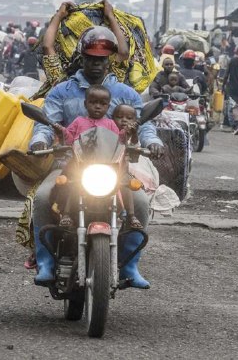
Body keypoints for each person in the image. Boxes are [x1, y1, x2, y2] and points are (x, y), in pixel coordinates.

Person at [29, 26, 162, 289]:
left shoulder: (126, 93)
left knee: (141, 203)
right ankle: (46, 262)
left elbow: (144, 124)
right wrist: (40, 140)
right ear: (82, 58)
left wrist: (153, 142)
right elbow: (46, 123)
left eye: (101, 59)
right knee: (44, 197)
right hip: (70, 166)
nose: (96, 64)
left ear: (109, 60)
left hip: (114, 168)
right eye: (91, 58)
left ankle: (129, 265)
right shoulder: (62, 91)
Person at [51, 85, 140, 229]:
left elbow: (119, 141)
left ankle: (130, 215)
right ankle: (66, 213)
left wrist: (130, 132)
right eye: (93, 103)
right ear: (86, 104)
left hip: (106, 166)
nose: (97, 107)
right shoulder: (79, 121)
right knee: (71, 183)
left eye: (103, 104)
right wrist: (61, 131)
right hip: (81, 166)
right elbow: (68, 138)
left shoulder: (110, 123)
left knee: (126, 182)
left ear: (108, 106)